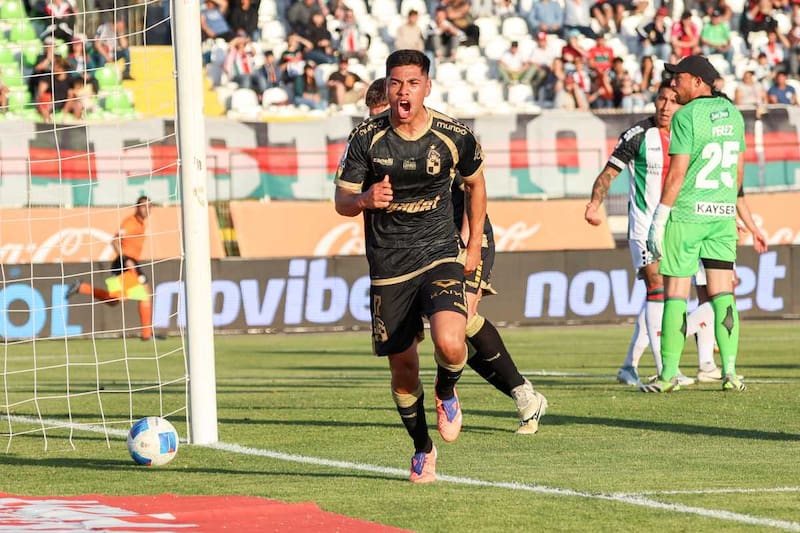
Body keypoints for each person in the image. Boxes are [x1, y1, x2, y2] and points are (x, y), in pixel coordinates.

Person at [334, 50, 487, 483]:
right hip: (388, 265)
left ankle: (446, 390)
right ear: (389, 84)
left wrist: (472, 245)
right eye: (397, 83)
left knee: (450, 341)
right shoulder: (366, 138)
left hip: (438, 253)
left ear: (427, 86)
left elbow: (476, 186)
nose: (404, 92)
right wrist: (364, 200)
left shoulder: (455, 136)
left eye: (412, 83)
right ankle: (422, 448)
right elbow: (341, 202)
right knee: (403, 371)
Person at [364, 77, 547, 434]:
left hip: (462, 235)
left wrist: (468, 245)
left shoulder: (436, 139)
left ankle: (518, 394)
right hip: (412, 250)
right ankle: (522, 393)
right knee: (440, 333)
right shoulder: (373, 145)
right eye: (373, 117)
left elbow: (472, 190)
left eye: (383, 114)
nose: (381, 124)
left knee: (461, 318)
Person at [585, 82, 710, 387]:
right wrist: (594, 204)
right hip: (644, 228)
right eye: (661, 99)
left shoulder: (690, 134)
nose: (666, 106)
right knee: (657, 289)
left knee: (680, 297)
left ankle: (631, 365)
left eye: (672, 101)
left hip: (680, 226)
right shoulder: (638, 135)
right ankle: (667, 369)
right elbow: (608, 174)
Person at [645, 54, 747, 392]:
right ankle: (730, 372)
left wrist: (659, 218)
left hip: (687, 215)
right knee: (723, 294)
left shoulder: (686, 115)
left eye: (680, 78)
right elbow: (738, 173)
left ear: (699, 82)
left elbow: (677, 173)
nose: (674, 84)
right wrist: (730, 209)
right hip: (720, 216)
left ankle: (667, 375)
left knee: (675, 294)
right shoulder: (734, 114)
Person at [66, 196, 165, 341]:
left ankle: (82, 287)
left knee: (118, 300)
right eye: (144, 206)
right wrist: (125, 259)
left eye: (149, 206)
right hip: (124, 263)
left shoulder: (141, 223)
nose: (147, 209)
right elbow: (115, 241)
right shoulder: (130, 223)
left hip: (130, 262)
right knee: (138, 294)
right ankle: (146, 334)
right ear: (137, 207)